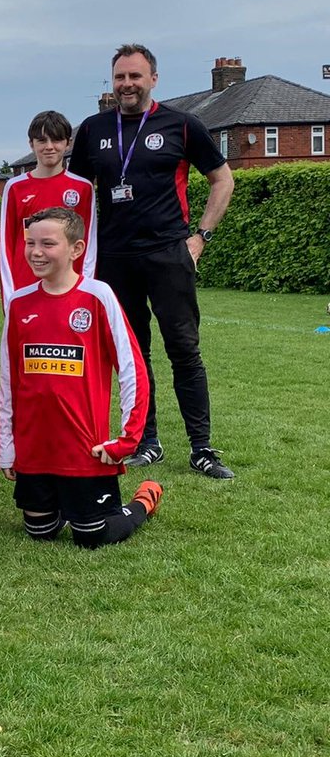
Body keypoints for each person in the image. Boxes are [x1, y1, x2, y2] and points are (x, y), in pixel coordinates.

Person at [69, 44, 236, 478]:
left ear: (153, 79)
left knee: (184, 351)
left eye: (135, 77)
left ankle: (202, 448)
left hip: (168, 254)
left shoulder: (181, 124)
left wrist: (201, 237)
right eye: (120, 77)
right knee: (133, 354)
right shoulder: (92, 129)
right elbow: (77, 193)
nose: (127, 84)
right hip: (114, 258)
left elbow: (222, 179)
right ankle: (147, 441)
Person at [0, 207, 163, 549]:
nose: (36, 252)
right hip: (34, 449)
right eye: (30, 243)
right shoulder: (18, 303)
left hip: (86, 450)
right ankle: (60, 504)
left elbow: (132, 369)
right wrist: (7, 448)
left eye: (48, 243)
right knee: (39, 534)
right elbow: (7, 380)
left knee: (92, 538)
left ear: (76, 248)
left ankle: (144, 500)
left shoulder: (97, 295)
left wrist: (129, 440)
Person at [0, 111, 96, 306]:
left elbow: (89, 243)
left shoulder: (83, 188)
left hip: (69, 288)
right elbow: (6, 244)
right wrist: (10, 298)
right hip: (24, 286)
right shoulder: (15, 187)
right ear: (31, 144)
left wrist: (86, 288)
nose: (49, 147)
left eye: (57, 140)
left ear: (68, 143)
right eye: (42, 140)